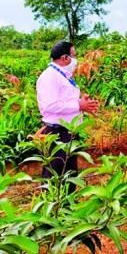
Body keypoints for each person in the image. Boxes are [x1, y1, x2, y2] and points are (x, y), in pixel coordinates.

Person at [36, 40, 99, 193]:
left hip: (68, 134)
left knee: (69, 178)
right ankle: (55, 213)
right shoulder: (49, 77)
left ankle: (66, 212)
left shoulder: (63, 75)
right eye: (74, 56)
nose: (76, 60)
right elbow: (49, 106)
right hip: (57, 135)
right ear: (65, 58)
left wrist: (83, 104)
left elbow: (65, 102)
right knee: (55, 179)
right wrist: (78, 105)